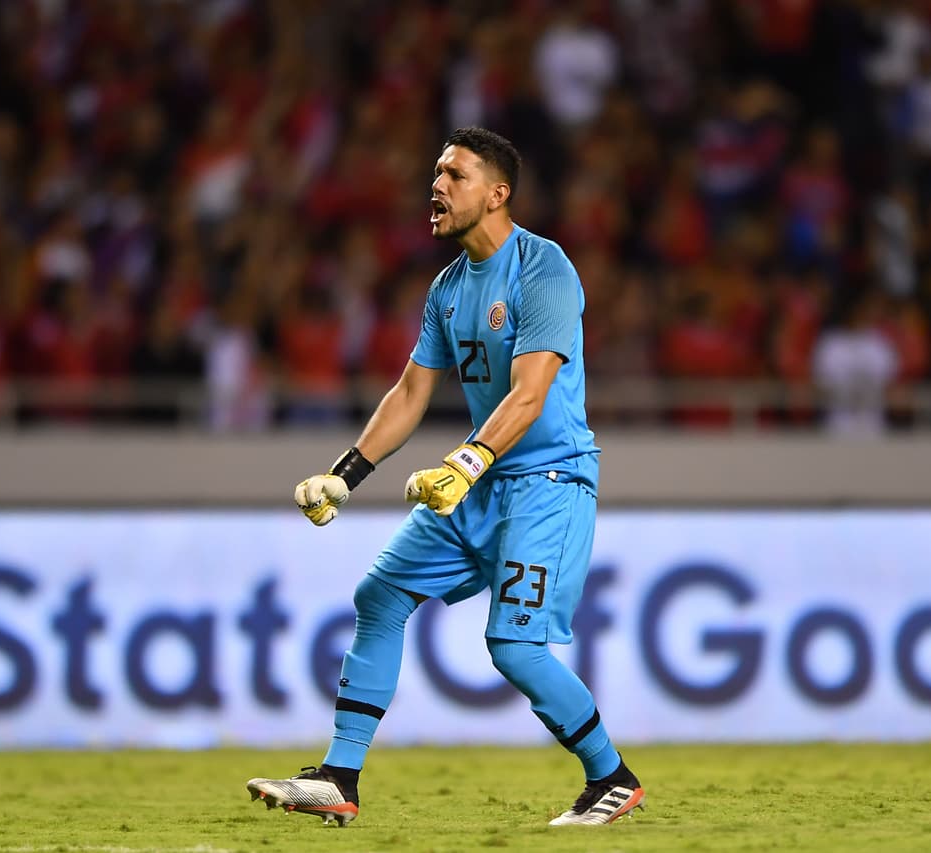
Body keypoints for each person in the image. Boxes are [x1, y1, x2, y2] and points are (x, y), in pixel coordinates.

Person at [245, 127, 644, 828]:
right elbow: (409, 392)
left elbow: (530, 394)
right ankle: (340, 777)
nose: (436, 185)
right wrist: (346, 475)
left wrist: (466, 461)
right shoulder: (449, 287)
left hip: (548, 481)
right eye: (435, 172)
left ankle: (611, 776)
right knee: (382, 591)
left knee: (514, 646)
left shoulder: (544, 268)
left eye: (454, 175)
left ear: (497, 193)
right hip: (482, 479)